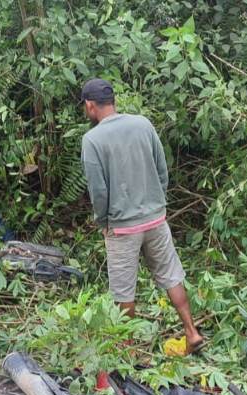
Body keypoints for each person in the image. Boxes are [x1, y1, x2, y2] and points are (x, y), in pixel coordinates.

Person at [79, 78, 204, 353]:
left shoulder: (92, 140)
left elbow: (98, 191)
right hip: (156, 219)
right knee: (171, 275)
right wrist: (157, 203)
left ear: (90, 105)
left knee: (124, 290)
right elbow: (162, 169)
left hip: (122, 227)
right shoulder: (143, 124)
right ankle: (192, 331)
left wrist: (103, 222)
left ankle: (128, 349)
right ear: (112, 101)